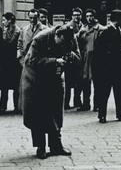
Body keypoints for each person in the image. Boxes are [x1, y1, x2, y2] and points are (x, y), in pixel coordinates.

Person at [20, 25, 80, 159]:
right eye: (62, 42)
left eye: (67, 44)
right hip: (35, 79)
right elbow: (31, 60)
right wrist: (54, 61)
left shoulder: (71, 38)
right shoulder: (40, 39)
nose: (64, 46)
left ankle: (56, 145)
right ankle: (40, 147)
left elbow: (78, 57)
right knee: (38, 113)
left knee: (56, 111)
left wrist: (71, 56)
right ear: (56, 36)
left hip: (56, 78)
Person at [92, 9, 121, 124]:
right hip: (108, 68)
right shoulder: (106, 31)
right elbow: (99, 51)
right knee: (104, 93)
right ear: (118, 19)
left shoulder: (118, 30)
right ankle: (102, 115)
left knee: (120, 92)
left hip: (118, 68)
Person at [76, 9, 105, 111]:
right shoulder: (83, 28)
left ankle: (97, 104)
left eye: (91, 16)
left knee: (97, 83)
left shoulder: (101, 29)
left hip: (96, 59)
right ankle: (86, 103)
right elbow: (78, 41)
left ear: (94, 16)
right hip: (85, 59)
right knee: (85, 82)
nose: (89, 18)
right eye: (87, 16)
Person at [0, 12, 22, 113]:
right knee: (4, 85)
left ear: (9, 20)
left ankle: (16, 106)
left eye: (4, 20)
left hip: (13, 62)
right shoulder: (4, 30)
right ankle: (3, 105)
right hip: (5, 61)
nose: (3, 22)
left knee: (15, 86)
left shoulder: (17, 31)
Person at [64, 7, 83, 109]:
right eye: (75, 15)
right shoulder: (67, 26)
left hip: (80, 56)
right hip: (70, 57)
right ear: (72, 16)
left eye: (78, 15)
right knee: (67, 81)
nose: (76, 17)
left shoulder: (83, 26)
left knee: (78, 81)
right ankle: (66, 102)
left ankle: (77, 100)